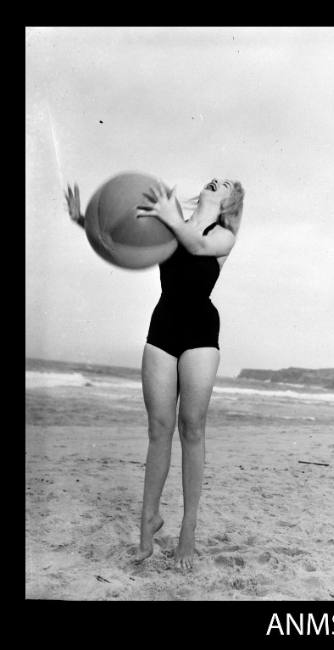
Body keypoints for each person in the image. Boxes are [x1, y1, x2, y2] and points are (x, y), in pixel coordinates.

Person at [65, 177, 245, 570]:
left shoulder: (223, 236)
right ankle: (149, 520)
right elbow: (125, 242)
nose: (220, 180)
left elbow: (196, 245)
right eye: (217, 178)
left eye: (228, 184)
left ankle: (188, 530)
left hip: (200, 332)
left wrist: (168, 217)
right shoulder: (169, 221)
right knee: (158, 429)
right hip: (162, 327)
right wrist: (85, 221)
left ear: (231, 201)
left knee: (192, 427)